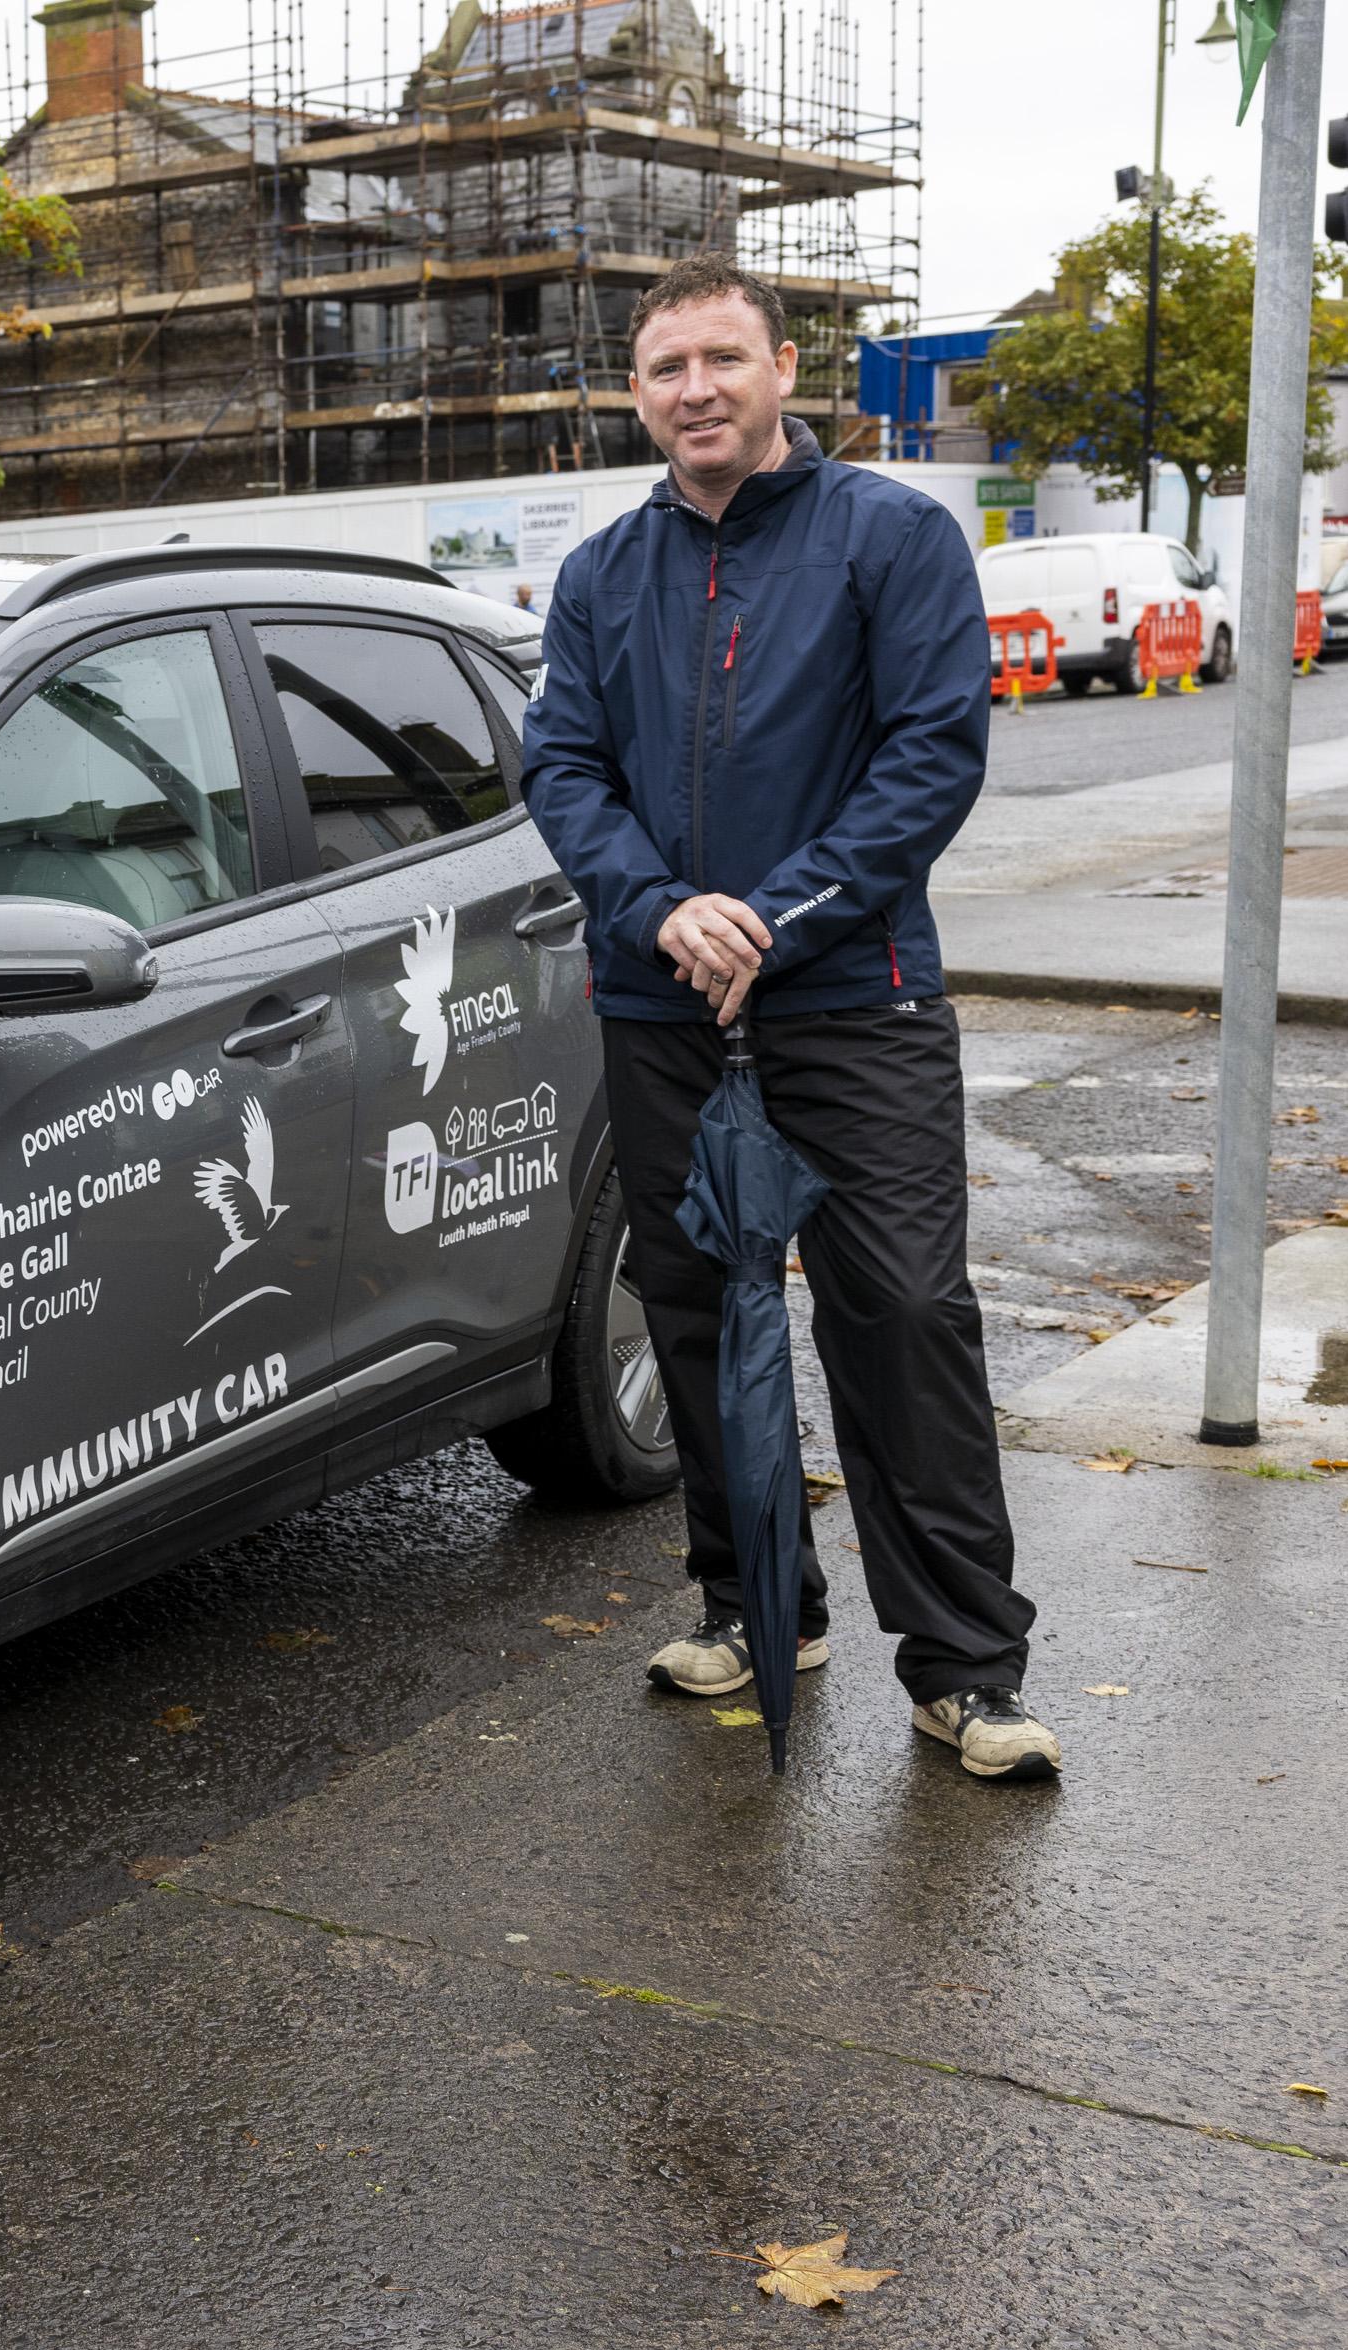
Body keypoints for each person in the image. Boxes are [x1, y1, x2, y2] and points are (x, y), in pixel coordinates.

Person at [520, 256, 1057, 1783]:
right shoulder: (599, 576)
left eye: (719, 359)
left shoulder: (888, 536)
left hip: (852, 999)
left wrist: (780, 912)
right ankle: (758, 1606)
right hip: (663, 1001)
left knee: (899, 1315)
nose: (692, 389)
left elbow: (929, 755)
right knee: (697, 1315)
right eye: (663, 368)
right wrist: (658, 911)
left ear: (784, 368)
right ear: (637, 392)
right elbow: (562, 768)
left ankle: (963, 1668)